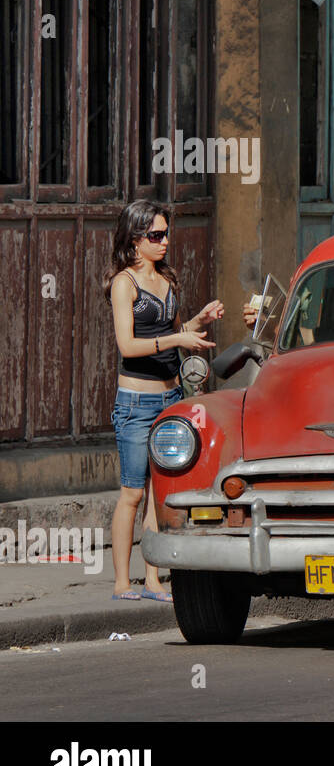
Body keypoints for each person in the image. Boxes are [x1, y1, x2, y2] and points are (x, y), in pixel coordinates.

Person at [106, 200, 223, 602]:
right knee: (132, 492)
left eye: (166, 234)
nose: (164, 241)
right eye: (156, 235)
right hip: (136, 403)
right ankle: (122, 581)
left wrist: (198, 322)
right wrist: (177, 338)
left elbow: (175, 330)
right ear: (135, 239)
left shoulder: (167, 281)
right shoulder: (125, 284)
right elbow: (128, 344)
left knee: (159, 494)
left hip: (170, 398)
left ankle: (153, 579)